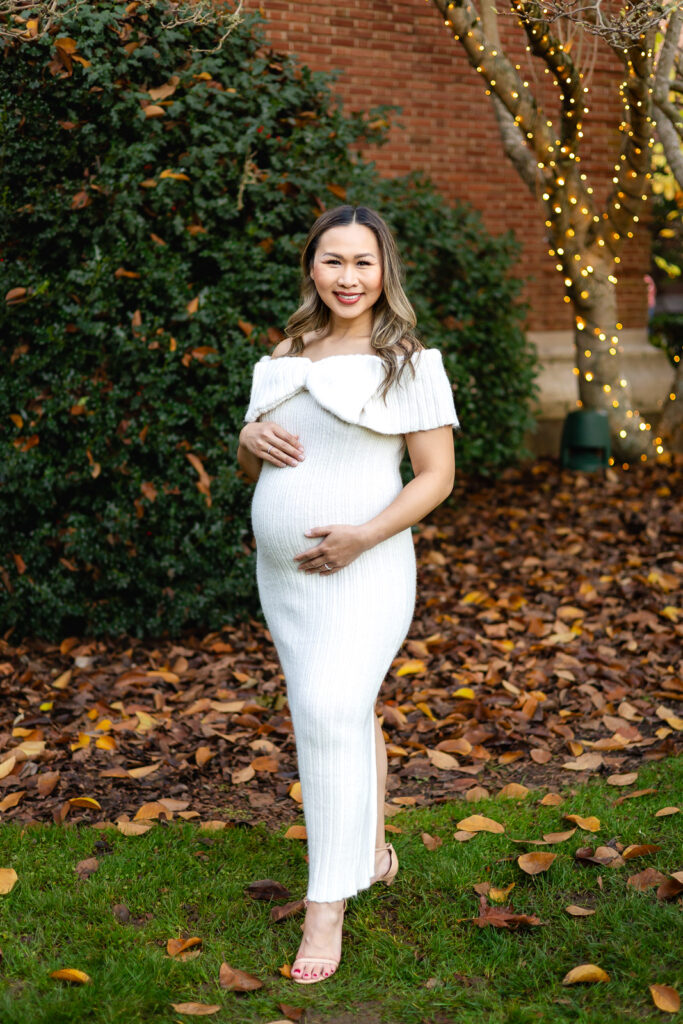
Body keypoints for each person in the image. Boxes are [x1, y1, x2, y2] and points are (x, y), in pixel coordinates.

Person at [237, 205, 459, 984]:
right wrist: (244, 443)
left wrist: (363, 535)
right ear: (311, 268)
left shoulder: (407, 361)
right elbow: (259, 466)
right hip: (286, 580)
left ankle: (326, 905)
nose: (348, 278)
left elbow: (436, 477)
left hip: (365, 569)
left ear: (383, 271)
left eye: (363, 263)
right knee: (343, 708)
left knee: (327, 712)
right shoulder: (286, 352)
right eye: (333, 261)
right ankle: (370, 851)